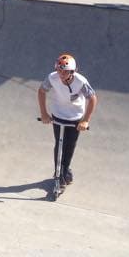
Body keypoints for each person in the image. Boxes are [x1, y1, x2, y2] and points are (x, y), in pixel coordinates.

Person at [37, 53, 97, 191]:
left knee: (69, 145)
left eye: (65, 71)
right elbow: (41, 91)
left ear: (73, 71)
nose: (61, 74)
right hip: (58, 115)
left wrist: (86, 120)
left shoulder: (80, 81)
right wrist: (44, 114)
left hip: (75, 117)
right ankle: (59, 174)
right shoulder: (52, 78)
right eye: (59, 70)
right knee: (59, 144)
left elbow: (92, 98)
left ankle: (65, 171)